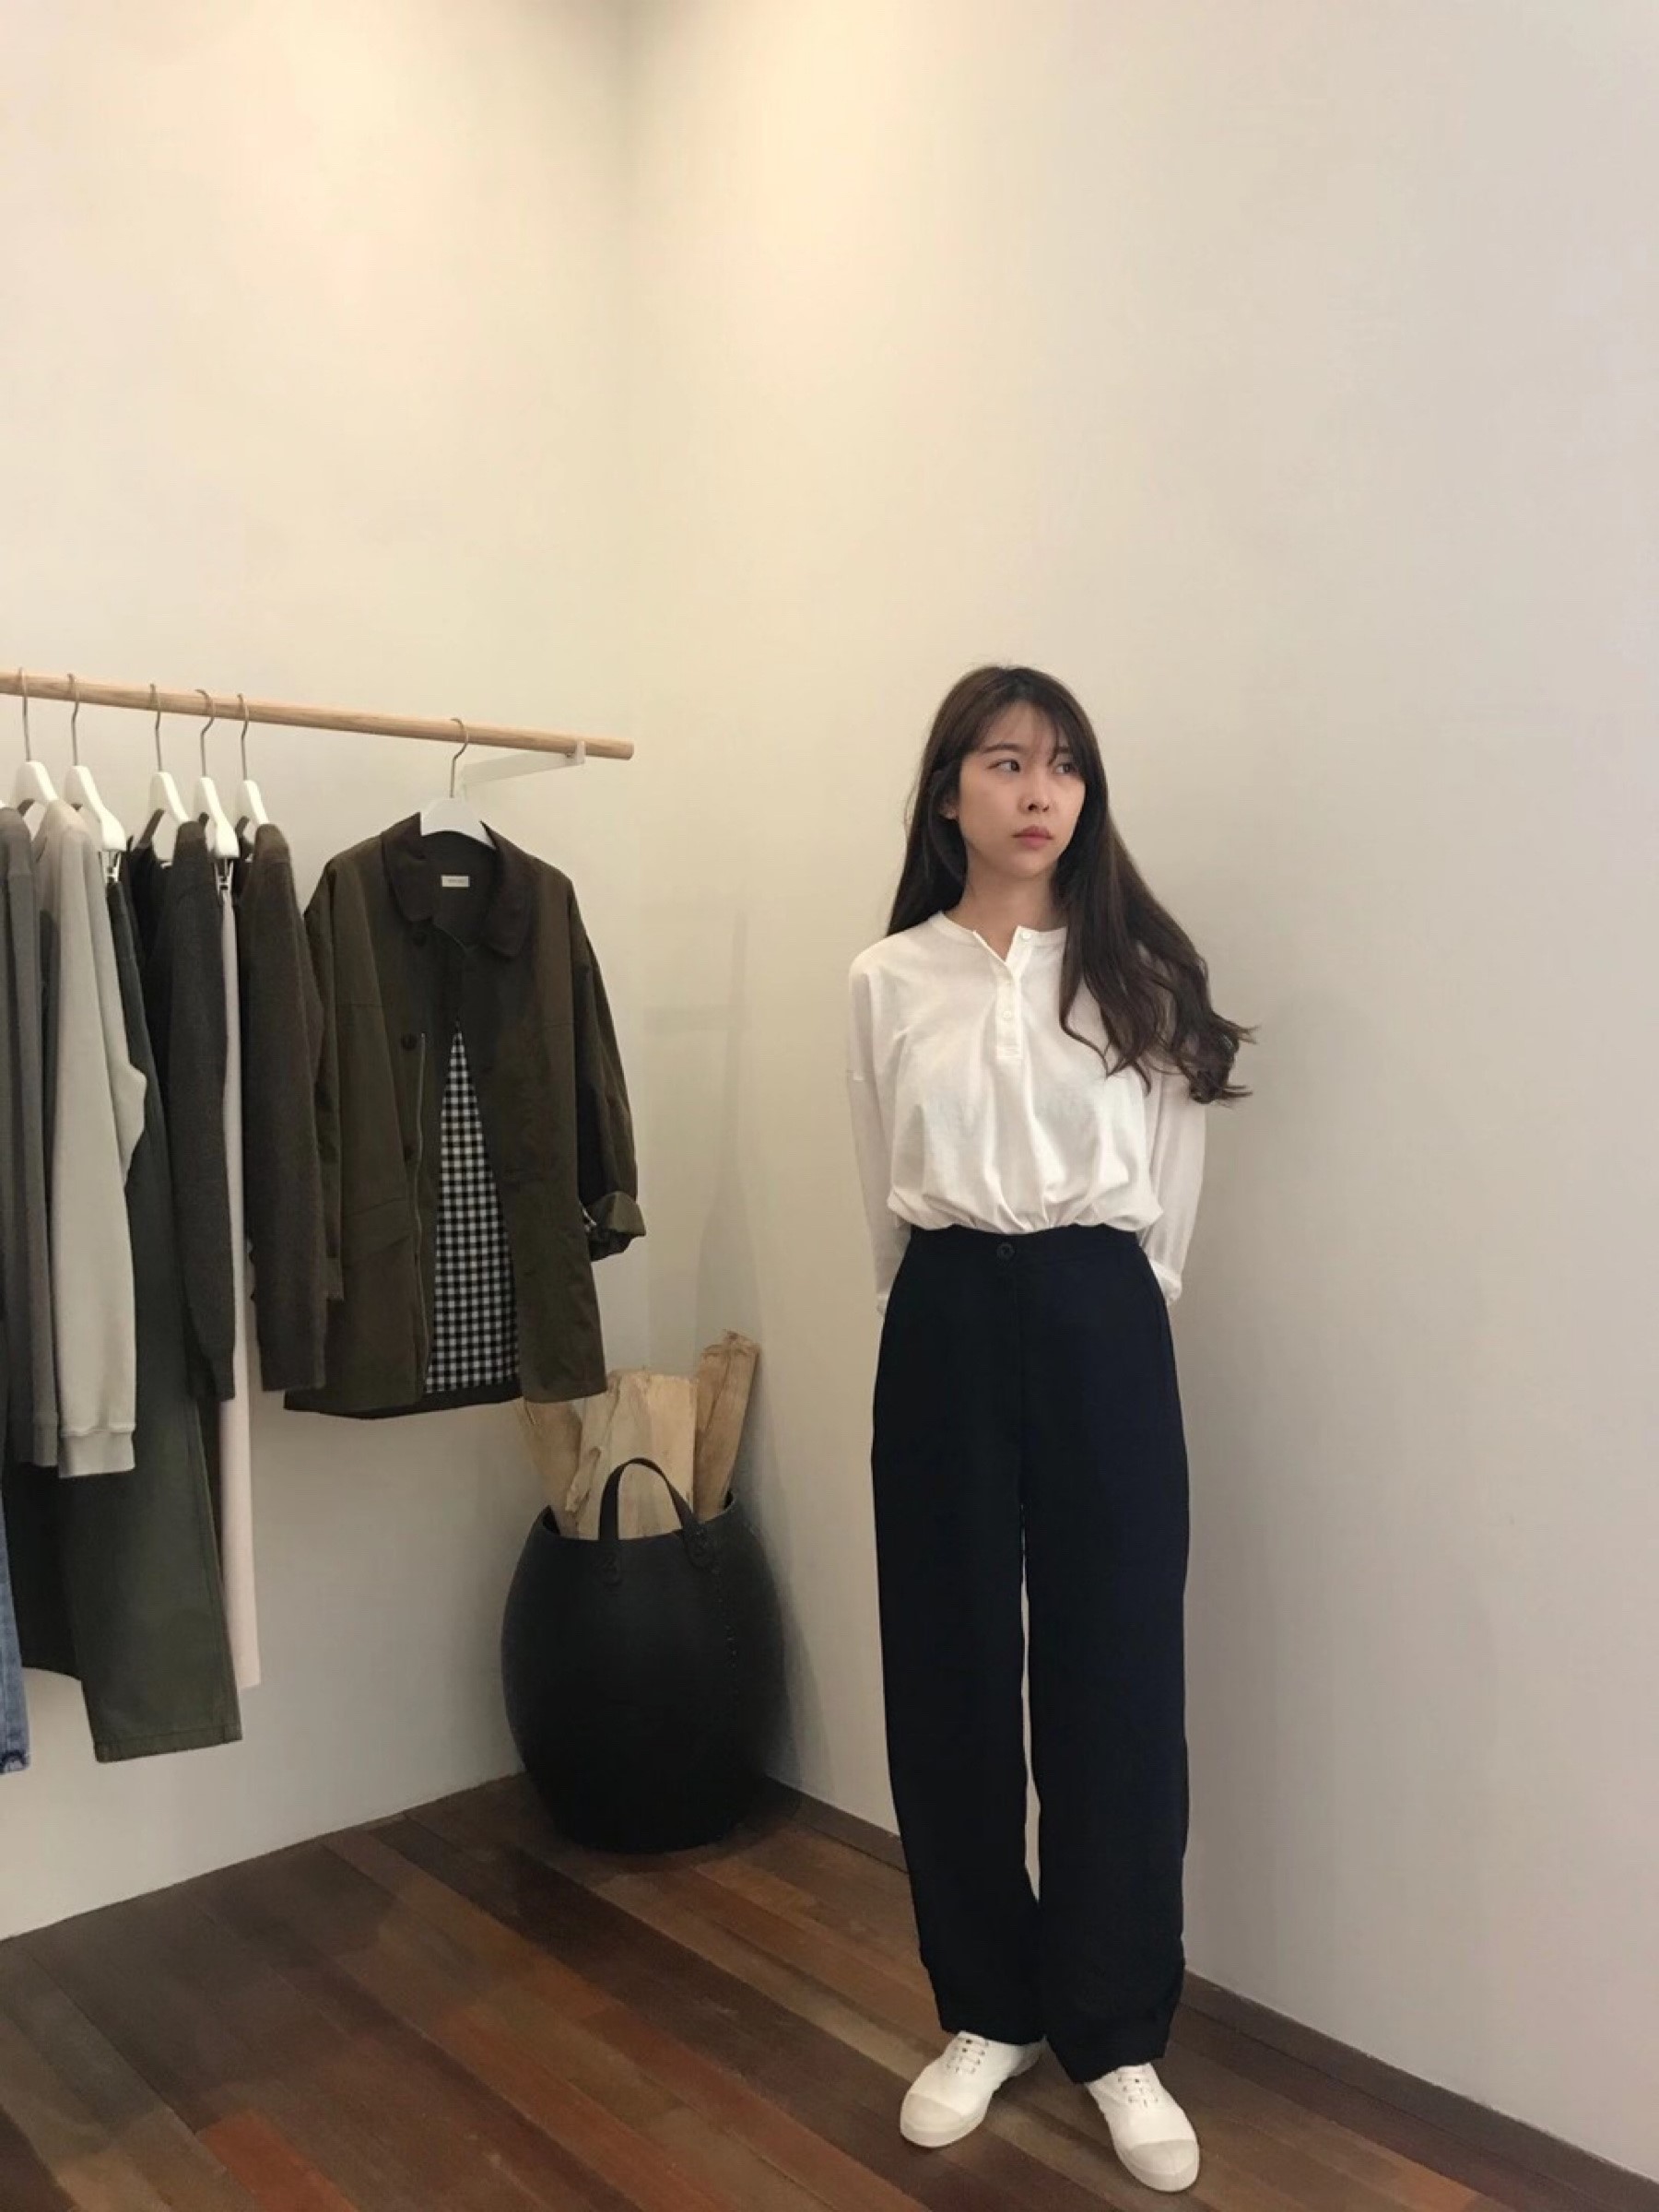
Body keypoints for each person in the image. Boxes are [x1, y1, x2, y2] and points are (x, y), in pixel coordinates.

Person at [844, 665, 1253, 2194]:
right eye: (1007, 761)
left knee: (1119, 1671)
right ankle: (986, 2010)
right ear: (948, 790)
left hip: (1103, 1315)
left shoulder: (1139, 973)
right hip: (944, 1311)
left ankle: (1115, 2030)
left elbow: (1174, 1196)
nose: (1039, 791)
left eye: (1065, 764)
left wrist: (1111, 1314)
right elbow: (876, 1180)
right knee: (946, 1664)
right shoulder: (888, 979)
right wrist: (941, 1315)